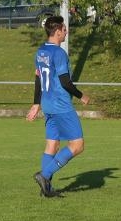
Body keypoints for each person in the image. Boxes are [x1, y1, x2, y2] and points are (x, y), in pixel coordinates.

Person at [26, 15, 90, 197]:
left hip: (47, 105)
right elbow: (65, 82)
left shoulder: (40, 51)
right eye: (64, 29)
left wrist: (36, 103)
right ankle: (44, 175)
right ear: (57, 31)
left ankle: (46, 189)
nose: (66, 32)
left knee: (52, 146)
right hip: (61, 105)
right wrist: (81, 96)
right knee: (77, 145)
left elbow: (38, 78)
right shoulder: (59, 53)